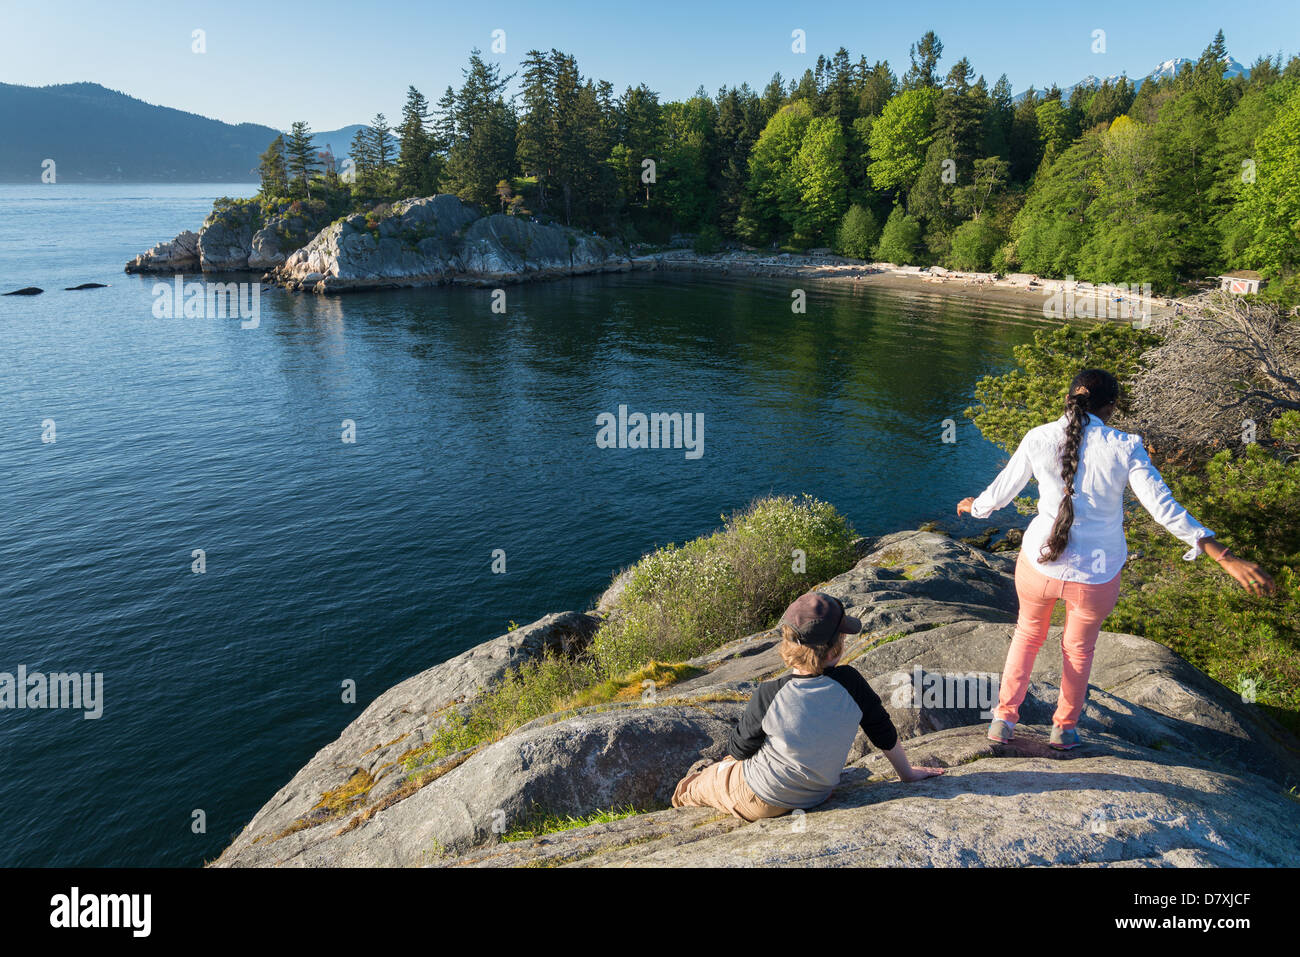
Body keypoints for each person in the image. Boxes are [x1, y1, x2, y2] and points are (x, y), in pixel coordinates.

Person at [957, 368, 1276, 750]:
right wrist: (1222, 555)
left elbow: (1001, 493)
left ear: (1068, 399)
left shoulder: (1038, 437)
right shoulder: (1126, 445)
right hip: (1095, 574)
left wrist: (976, 508)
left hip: (1038, 563)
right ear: (1111, 407)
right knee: (1078, 650)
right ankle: (1064, 730)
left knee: (1026, 636)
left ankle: (1002, 723)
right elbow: (1163, 508)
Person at [671, 591, 943, 822]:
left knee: (697, 784)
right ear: (835, 649)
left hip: (760, 798)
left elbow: (740, 750)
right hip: (819, 793)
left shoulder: (770, 693)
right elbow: (881, 730)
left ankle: (680, 801)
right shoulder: (851, 682)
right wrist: (907, 774)